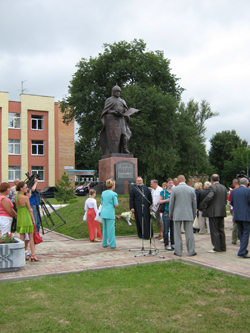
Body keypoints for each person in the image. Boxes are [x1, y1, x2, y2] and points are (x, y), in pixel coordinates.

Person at [100, 84, 139, 155]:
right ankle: (114, 150)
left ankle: (125, 149)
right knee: (114, 136)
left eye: (119, 91)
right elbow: (106, 111)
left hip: (121, 120)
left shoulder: (122, 101)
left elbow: (125, 110)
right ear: (113, 92)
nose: (118, 93)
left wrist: (130, 111)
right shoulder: (109, 100)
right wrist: (114, 112)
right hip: (113, 121)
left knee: (124, 135)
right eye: (116, 91)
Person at [169, 175, 197, 257]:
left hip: (177, 213)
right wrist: (194, 214)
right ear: (185, 180)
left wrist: (171, 214)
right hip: (188, 213)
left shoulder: (174, 189)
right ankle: (191, 251)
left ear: (177, 180)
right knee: (189, 234)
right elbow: (194, 203)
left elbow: (172, 203)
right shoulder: (191, 189)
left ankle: (178, 251)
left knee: (177, 234)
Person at [202, 174, 227, 253]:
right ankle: (223, 246)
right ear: (219, 179)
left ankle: (216, 247)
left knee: (214, 230)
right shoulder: (224, 187)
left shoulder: (212, 187)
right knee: (221, 229)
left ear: (212, 180)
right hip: (222, 211)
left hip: (213, 211)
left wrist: (204, 203)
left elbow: (210, 197)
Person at [16, 181, 39, 262]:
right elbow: (30, 210)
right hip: (26, 217)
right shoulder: (25, 198)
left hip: (20, 218)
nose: (26, 189)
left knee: (21, 237)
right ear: (21, 188)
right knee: (31, 238)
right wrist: (33, 219)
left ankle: (21, 253)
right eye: (25, 187)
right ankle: (33, 254)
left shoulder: (17, 196)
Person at [231, 178, 250, 258]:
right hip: (246, 215)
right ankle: (242, 251)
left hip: (237, 215)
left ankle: (244, 250)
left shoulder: (234, 191)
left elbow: (232, 203)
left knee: (241, 233)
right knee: (246, 233)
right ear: (246, 183)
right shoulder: (248, 191)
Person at [100, 179, 118, 249]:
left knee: (104, 228)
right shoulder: (114, 194)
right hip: (110, 213)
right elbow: (116, 204)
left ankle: (104, 243)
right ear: (113, 185)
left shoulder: (103, 193)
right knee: (111, 229)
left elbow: (101, 203)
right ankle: (112, 244)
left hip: (103, 212)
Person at [159, 178, 174, 251]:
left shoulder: (174, 191)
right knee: (166, 229)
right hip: (166, 212)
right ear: (167, 183)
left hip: (174, 212)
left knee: (173, 229)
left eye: (172, 183)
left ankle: (173, 243)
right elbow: (159, 201)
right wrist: (166, 200)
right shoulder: (163, 192)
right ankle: (166, 244)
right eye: (169, 183)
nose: (171, 184)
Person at [227, 178, 240, 244]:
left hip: (234, 209)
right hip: (243, 210)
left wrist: (230, 210)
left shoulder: (232, 191)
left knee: (235, 224)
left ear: (234, 184)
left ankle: (234, 239)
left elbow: (229, 202)